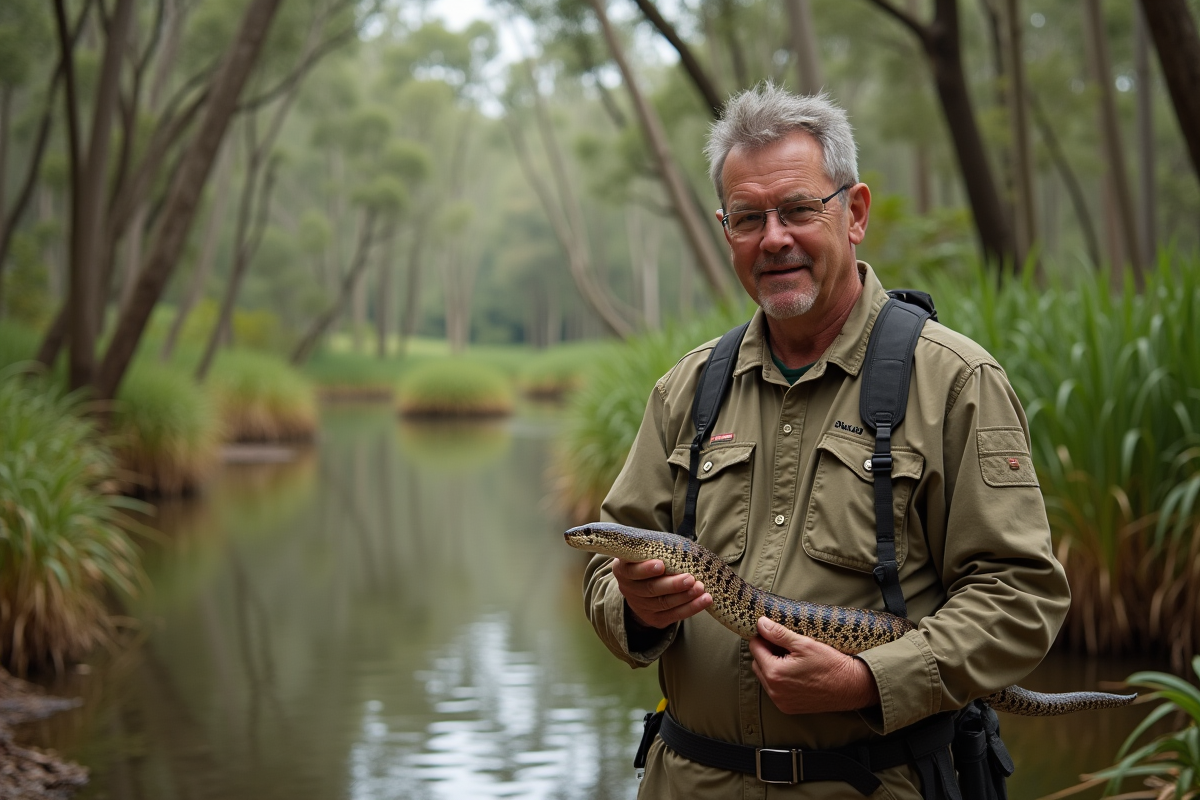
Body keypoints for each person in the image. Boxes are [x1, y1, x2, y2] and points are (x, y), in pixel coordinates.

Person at [582, 84, 1071, 799]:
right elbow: (608, 569)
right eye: (748, 218)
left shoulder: (955, 381)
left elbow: (1020, 596)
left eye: (799, 209)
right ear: (727, 232)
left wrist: (870, 680)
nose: (773, 238)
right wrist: (633, 606)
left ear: (855, 213)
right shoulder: (685, 390)